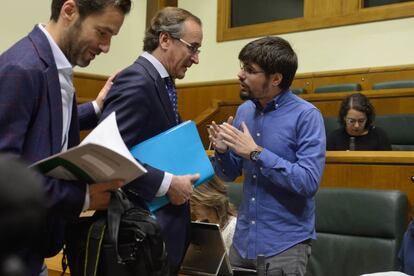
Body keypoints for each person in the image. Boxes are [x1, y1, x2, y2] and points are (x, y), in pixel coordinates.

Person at [0, 0, 131, 275]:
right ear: (69, 11)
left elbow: (44, 121)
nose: (106, 47)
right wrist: (84, 197)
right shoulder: (22, 68)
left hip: (33, 249)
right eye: (102, 32)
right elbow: (5, 179)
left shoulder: (53, 64)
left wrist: (95, 108)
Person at [208, 36, 326, 275]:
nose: (240, 75)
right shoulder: (244, 111)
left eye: (250, 70)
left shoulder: (307, 116)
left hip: (284, 245)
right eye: (242, 67)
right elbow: (229, 174)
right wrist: (221, 151)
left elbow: (308, 182)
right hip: (243, 242)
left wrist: (255, 152)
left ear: (275, 79)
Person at [98, 7, 202, 274]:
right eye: (192, 48)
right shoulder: (138, 79)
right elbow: (106, 152)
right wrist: (167, 183)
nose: (196, 59)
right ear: (165, 40)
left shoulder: (160, 81)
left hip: (157, 234)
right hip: (139, 235)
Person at [327, 92, 392, 150]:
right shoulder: (334, 138)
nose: (356, 126)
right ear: (344, 118)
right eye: (352, 121)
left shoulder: (379, 136)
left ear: (367, 118)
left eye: (361, 121)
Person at [190, 177, 237, 252]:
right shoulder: (198, 225)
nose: (192, 210)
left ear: (209, 200)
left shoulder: (234, 229)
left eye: (194, 205)